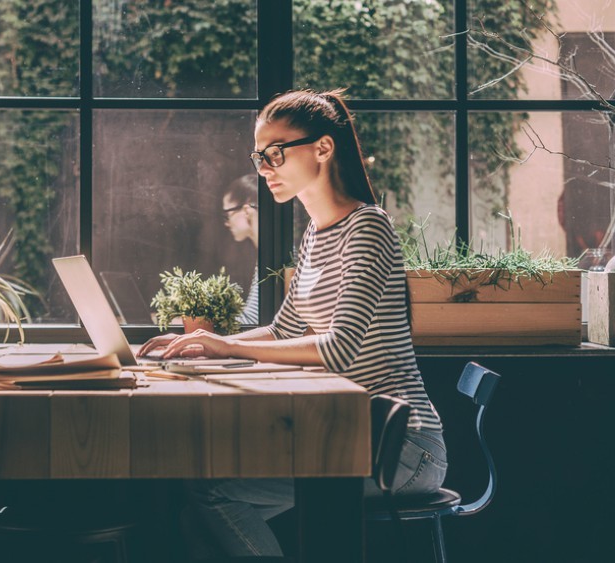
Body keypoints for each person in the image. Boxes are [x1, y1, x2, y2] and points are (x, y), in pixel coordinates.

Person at [139, 89, 446, 559]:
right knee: (193, 512)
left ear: (322, 148)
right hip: (347, 434)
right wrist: (204, 342)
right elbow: (284, 330)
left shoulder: (368, 227)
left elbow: (339, 348)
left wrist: (229, 349)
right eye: (259, 156)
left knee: (214, 495)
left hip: (403, 447)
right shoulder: (314, 235)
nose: (264, 168)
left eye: (275, 153)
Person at [221, 174, 260, 325]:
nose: (227, 223)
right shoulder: (265, 256)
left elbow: (252, 322)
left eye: (227, 214)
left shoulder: (274, 258)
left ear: (246, 211)